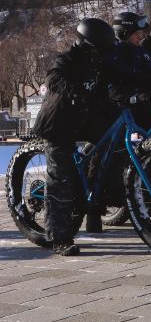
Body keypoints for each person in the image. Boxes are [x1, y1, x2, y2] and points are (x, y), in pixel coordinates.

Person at [32, 18, 119, 256]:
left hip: (81, 121)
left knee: (112, 142)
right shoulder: (67, 59)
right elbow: (54, 78)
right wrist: (75, 91)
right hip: (57, 124)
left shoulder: (97, 62)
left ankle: (93, 199)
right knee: (60, 180)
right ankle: (59, 238)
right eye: (100, 47)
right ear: (88, 44)